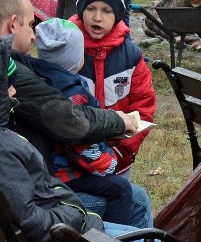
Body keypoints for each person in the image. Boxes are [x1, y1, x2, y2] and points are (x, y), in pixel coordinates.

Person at [0, 6, 165, 242]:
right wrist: (75, 212)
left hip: (19, 221)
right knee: (149, 237)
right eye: (31, 25)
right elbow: (34, 221)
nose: (13, 93)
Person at [32, 18, 133, 226]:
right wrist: (110, 162)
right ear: (76, 58)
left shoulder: (37, 79)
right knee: (122, 189)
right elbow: (83, 145)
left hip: (49, 168)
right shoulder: (74, 95)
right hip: (66, 175)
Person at [71, 0, 156, 177]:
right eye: (91, 8)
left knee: (120, 201)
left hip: (119, 160)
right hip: (75, 159)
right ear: (81, 10)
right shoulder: (69, 51)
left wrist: (119, 151)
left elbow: (143, 109)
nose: (97, 17)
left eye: (106, 10)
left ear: (117, 15)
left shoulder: (131, 57)